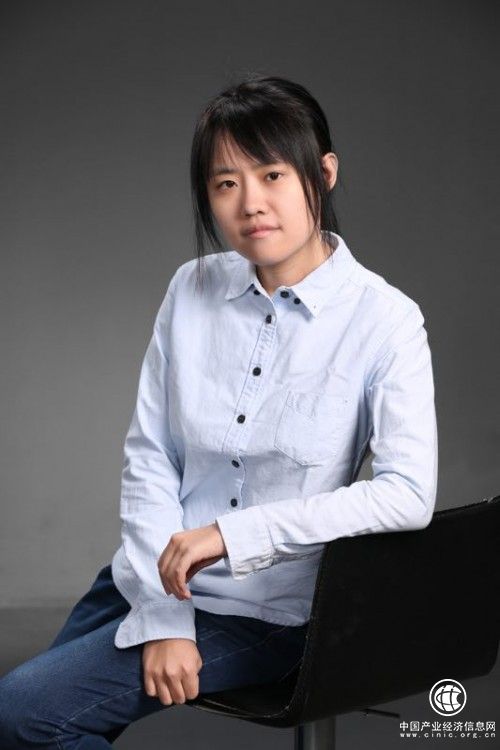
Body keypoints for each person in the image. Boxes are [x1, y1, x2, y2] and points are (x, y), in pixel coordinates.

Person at [0, 74, 438, 748]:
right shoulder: (191, 286)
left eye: (272, 175)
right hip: (151, 574)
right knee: (23, 726)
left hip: (266, 611)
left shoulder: (386, 321)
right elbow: (152, 454)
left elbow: (406, 493)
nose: (250, 203)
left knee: (22, 717)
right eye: (226, 183)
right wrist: (166, 617)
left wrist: (230, 536)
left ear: (323, 175)